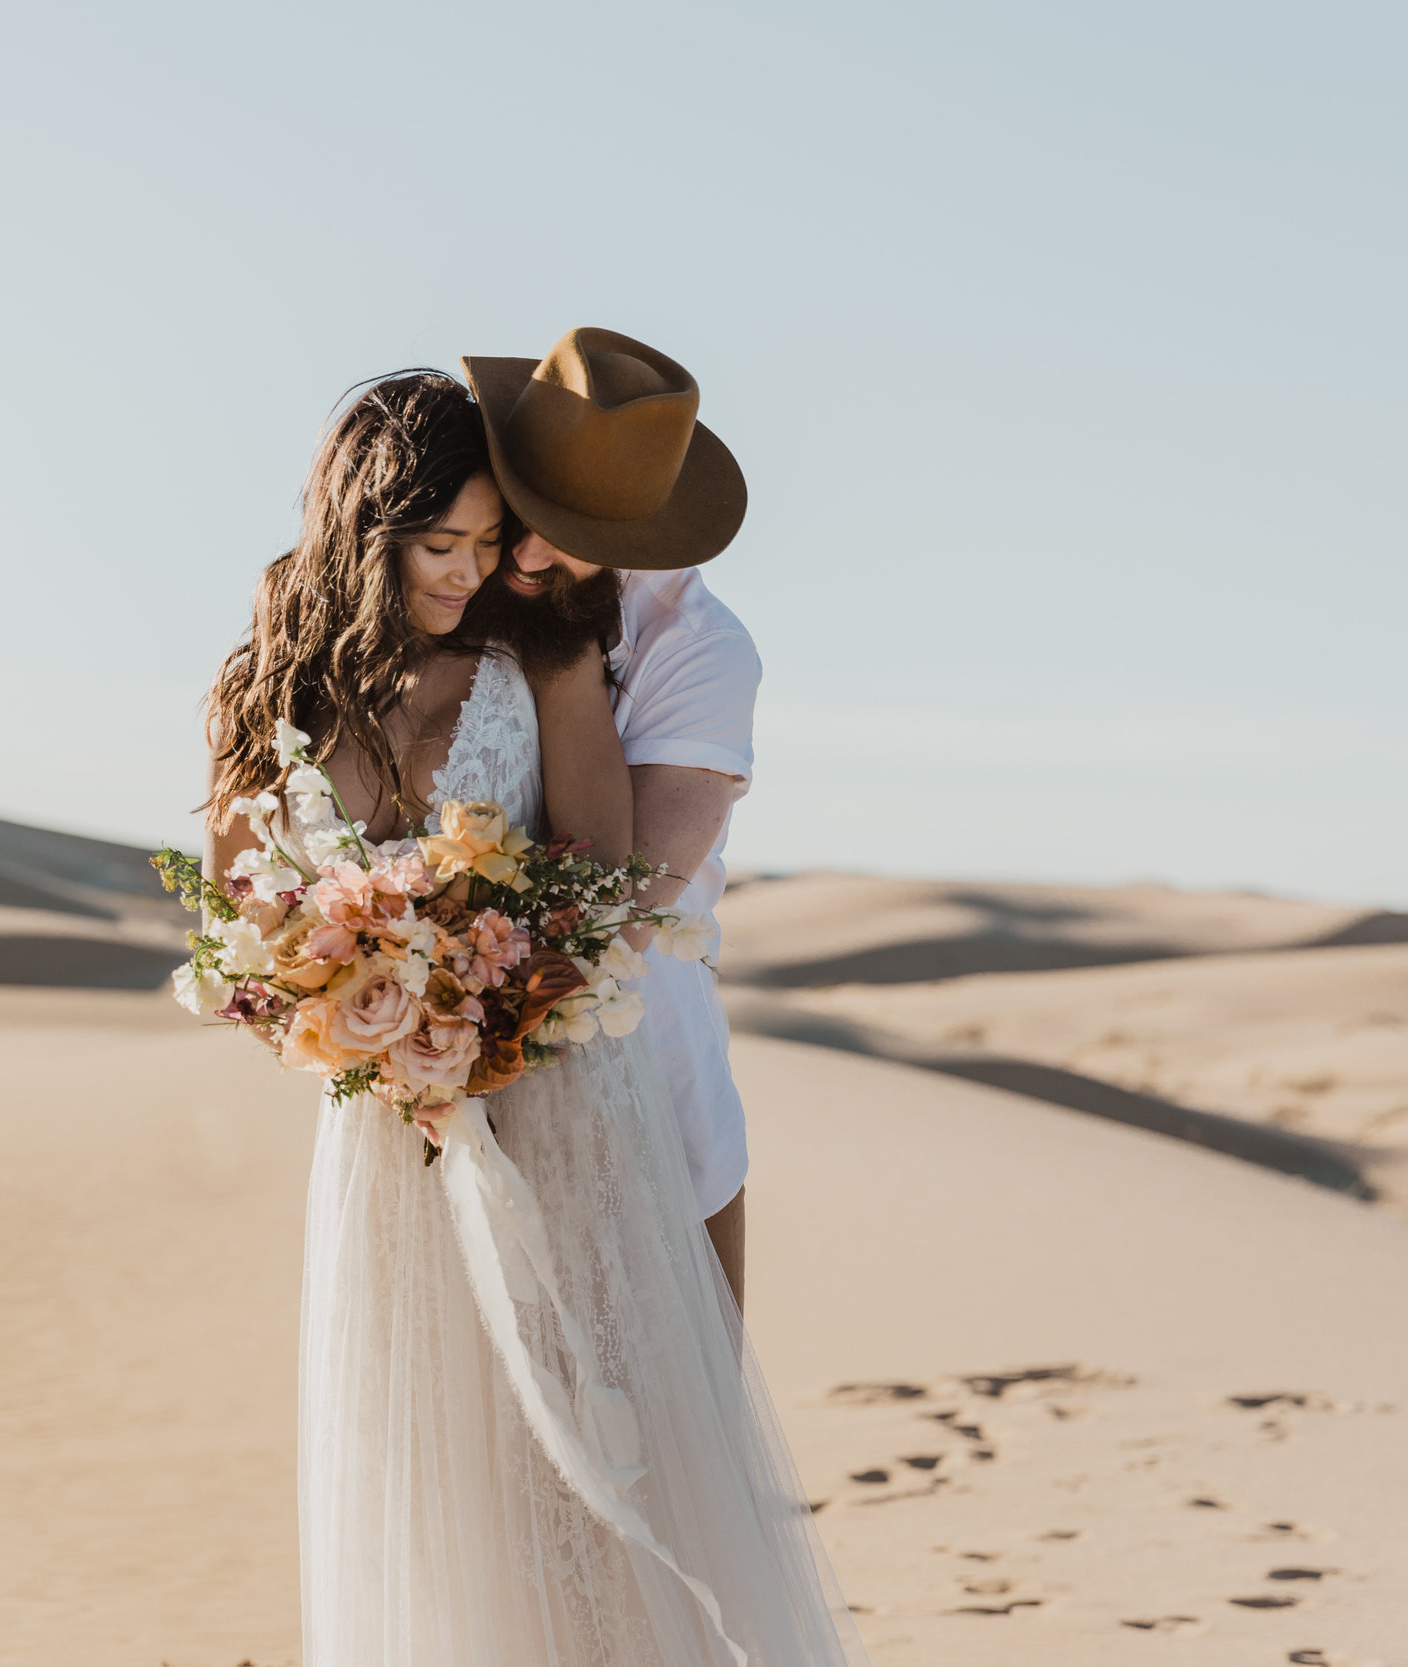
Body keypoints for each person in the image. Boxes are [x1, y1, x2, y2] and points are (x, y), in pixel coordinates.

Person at [202, 369, 866, 1664]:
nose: (501, 560)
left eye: (502, 535)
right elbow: (239, 890)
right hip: (398, 1126)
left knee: (632, 1461)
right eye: (469, 535)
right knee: (433, 1462)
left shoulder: (642, 643)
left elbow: (620, 888)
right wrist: (326, 986)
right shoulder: (295, 650)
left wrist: (455, 976)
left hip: (615, 1079)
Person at [459, 326, 762, 1311]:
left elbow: (633, 901)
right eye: (526, 509)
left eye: (574, 531)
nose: (532, 551)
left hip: (637, 1036)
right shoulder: (451, 567)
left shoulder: (701, 647)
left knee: (663, 1409)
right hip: (442, 1058)